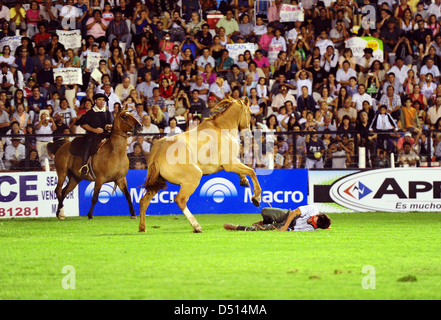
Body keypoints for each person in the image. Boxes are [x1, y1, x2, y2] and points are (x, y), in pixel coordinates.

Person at [76, 93, 113, 175]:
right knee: (88, 143)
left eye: (103, 100)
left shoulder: (108, 113)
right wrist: (94, 130)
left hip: (106, 135)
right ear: (95, 101)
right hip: (93, 135)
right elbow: (83, 124)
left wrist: (109, 127)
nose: (101, 102)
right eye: (99, 100)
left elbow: (112, 124)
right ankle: (84, 165)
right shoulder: (91, 112)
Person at [223, 205, 332, 231]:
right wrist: (285, 225)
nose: (310, 222)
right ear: (316, 215)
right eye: (312, 219)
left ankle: (237, 227)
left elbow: (294, 230)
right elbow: (294, 212)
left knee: (264, 229)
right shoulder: (312, 209)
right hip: (288, 215)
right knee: (265, 211)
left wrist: (285, 228)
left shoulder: (314, 227)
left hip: (290, 226)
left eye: (313, 224)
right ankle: (264, 221)